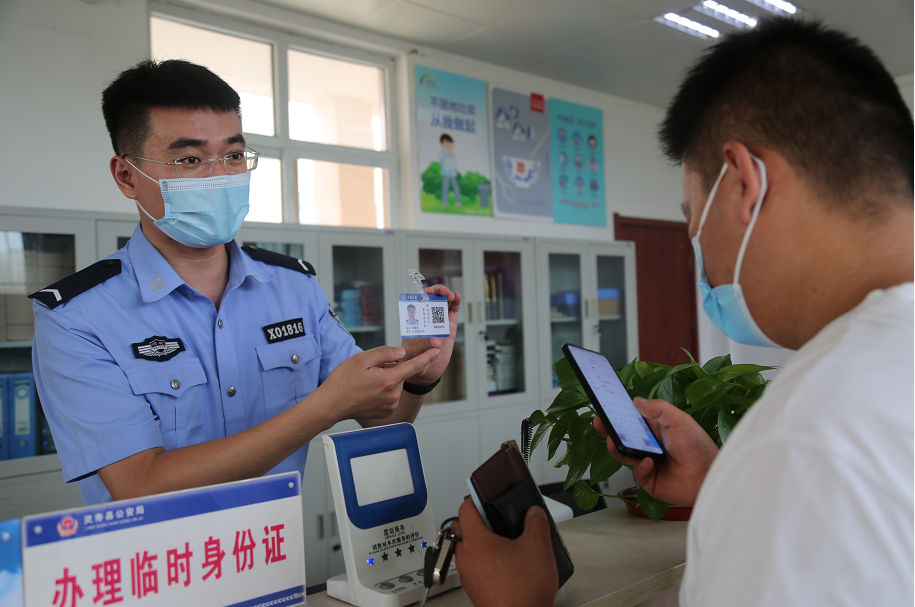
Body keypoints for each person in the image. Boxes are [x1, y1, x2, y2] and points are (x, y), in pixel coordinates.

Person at [453, 17, 913, 607]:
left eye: (693, 218)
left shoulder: (810, 438)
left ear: (745, 182)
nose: (700, 252)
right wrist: (728, 483)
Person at [30, 59, 461, 505]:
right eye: (190, 159)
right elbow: (140, 484)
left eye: (234, 156)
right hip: (162, 551)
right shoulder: (77, 317)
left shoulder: (294, 288)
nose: (220, 176)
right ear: (127, 177)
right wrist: (325, 407)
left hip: (275, 545)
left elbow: (381, 418)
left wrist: (417, 375)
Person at [439, 133, 461, 210]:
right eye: (446, 144)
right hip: (445, 174)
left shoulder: (453, 155)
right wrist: (447, 154)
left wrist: (450, 154)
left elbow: (455, 164)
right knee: (445, 189)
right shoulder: (442, 154)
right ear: (442, 145)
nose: (448, 146)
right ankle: (445, 204)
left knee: (456, 188)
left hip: (453, 174)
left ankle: (457, 201)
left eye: (450, 143)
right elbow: (444, 163)